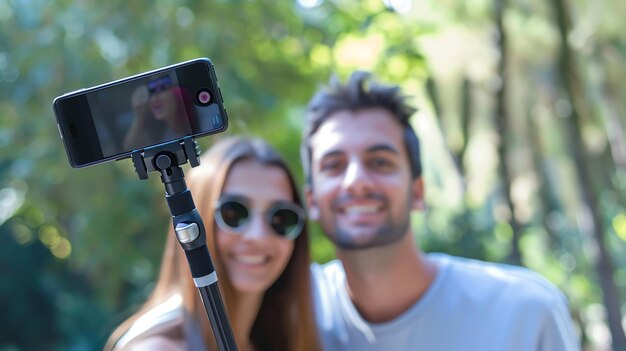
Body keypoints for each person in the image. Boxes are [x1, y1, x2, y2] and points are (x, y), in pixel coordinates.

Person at [301, 71, 580, 350]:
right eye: (333, 165)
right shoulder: (289, 308)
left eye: (379, 162)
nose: (356, 181)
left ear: (418, 192)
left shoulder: (524, 312)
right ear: (311, 200)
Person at [105, 136, 320, 351]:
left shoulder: (285, 337)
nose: (258, 236)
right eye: (233, 213)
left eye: (281, 218)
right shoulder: (157, 347)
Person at [123, 75, 196, 151]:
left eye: (161, 90)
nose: (153, 99)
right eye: (150, 94)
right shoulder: (165, 136)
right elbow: (129, 148)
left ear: (176, 92)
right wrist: (139, 117)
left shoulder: (204, 117)